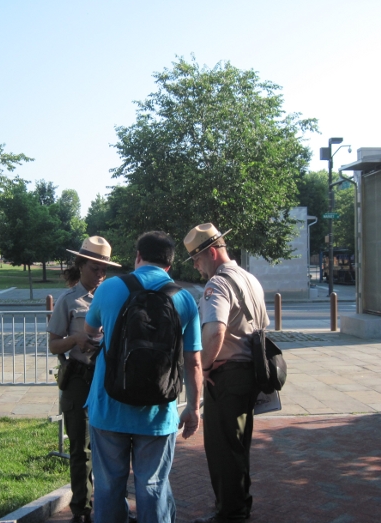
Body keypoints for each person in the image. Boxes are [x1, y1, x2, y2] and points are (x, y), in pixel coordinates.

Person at [84, 231, 203, 523]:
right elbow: (194, 361)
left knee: (109, 485)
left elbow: (90, 332)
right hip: (158, 411)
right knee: (153, 486)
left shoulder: (110, 287)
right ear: (170, 265)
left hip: (109, 404)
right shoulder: (185, 299)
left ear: (138, 257)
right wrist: (194, 407)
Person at [183, 223, 269, 523]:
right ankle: (240, 507)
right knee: (238, 447)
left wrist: (203, 367)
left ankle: (230, 514)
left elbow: (215, 331)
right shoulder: (249, 279)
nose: (196, 267)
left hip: (227, 376)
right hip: (250, 373)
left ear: (212, 252)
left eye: (197, 259)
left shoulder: (217, 284)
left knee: (222, 451)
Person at [47, 236, 121, 523]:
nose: (100, 274)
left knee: (112, 446)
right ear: (80, 266)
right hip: (79, 380)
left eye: (104, 269)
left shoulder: (114, 298)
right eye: (95, 268)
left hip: (108, 380)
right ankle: (82, 509)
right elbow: (53, 345)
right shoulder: (68, 301)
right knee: (81, 448)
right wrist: (75, 339)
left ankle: (111, 504)